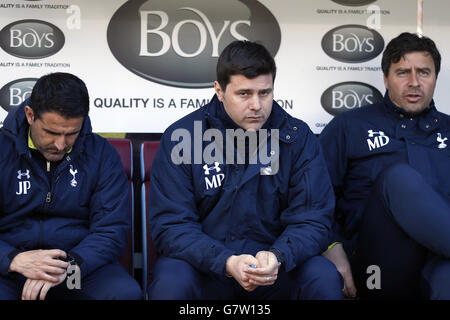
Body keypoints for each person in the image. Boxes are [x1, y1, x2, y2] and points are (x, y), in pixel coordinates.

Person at [147, 40, 343, 300]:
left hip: (274, 270)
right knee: (171, 280)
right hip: (208, 270)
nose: (256, 105)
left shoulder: (297, 137)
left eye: (264, 93)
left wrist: (278, 256)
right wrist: (226, 262)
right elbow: (171, 226)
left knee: (322, 275)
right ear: (219, 90)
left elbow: (313, 218)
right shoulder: (183, 137)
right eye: (244, 93)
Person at [320, 32, 450, 299]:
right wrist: (331, 245)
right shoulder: (349, 127)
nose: (414, 82)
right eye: (403, 72)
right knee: (399, 179)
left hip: (441, 255)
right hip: (376, 268)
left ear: (435, 77)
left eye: (424, 72)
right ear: (386, 77)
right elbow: (313, 198)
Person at [0, 72, 142, 300]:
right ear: (30, 115)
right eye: (51, 132)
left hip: (76, 267)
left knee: (124, 294)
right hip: (10, 268)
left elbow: (111, 230)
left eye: (71, 134)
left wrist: (68, 267)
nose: (60, 144)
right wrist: (12, 259)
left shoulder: (102, 154)